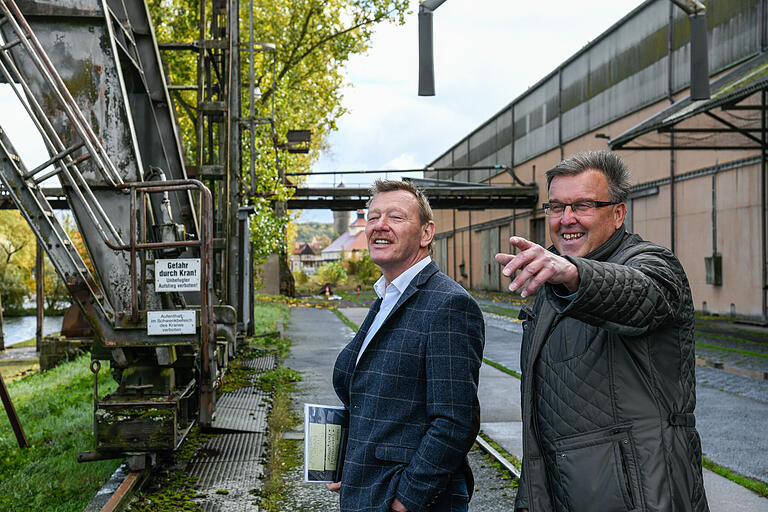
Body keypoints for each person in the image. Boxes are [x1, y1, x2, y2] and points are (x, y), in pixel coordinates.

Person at [496, 151, 709, 512]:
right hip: (568, 489)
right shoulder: (552, 278)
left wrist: (575, 275)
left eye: (583, 205)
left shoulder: (652, 262)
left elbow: (641, 294)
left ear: (618, 213)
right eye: (556, 206)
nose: (566, 219)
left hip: (641, 493)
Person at [328, 179, 485, 512]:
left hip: (411, 501)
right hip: (371, 489)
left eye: (395, 217)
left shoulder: (448, 305)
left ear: (426, 233)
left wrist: (405, 501)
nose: (380, 226)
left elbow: (454, 421)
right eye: (373, 217)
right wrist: (355, 466)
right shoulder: (387, 297)